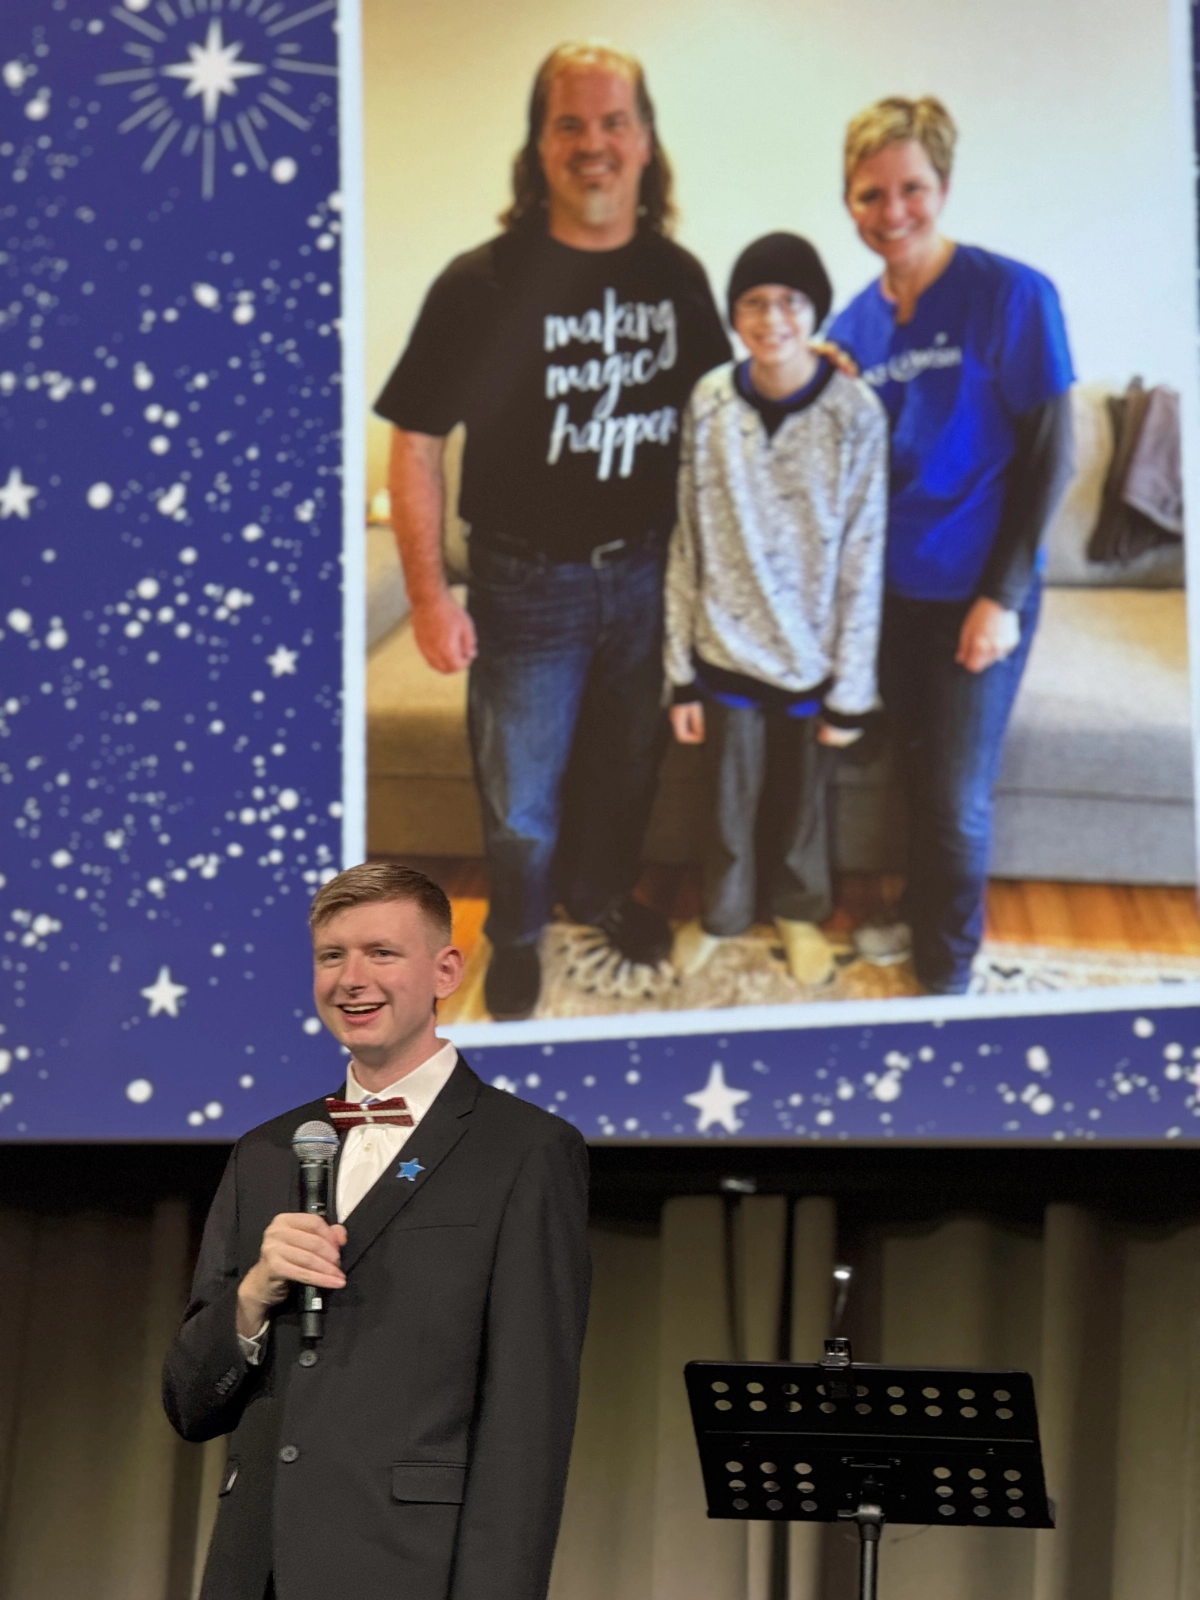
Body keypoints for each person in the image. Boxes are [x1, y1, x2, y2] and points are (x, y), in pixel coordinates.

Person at [374, 42, 730, 1020]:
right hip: (525, 586)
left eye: (614, 122)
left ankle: (604, 894)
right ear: (537, 147)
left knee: (625, 771)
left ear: (647, 143)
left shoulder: (679, 277)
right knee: (523, 803)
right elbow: (414, 442)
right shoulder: (479, 283)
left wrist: (817, 371)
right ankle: (518, 930)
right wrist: (427, 594)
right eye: (569, 123)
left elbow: (729, 419)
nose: (593, 144)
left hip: (650, 577)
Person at [162, 862, 591, 1600]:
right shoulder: (266, 1151)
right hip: (254, 1568)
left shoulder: (524, 1150)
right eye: (332, 956)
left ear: (446, 970)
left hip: (409, 1568)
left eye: (382, 953)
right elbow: (190, 1403)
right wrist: (253, 1298)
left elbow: (529, 1421)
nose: (351, 979)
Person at [827, 97, 1075, 994]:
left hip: (979, 593)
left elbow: (1054, 454)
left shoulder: (1011, 294)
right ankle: (917, 916)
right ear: (848, 200)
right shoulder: (853, 326)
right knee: (915, 778)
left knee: (956, 800)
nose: (892, 211)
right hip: (892, 598)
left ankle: (949, 972)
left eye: (911, 189)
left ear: (944, 186)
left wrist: (1002, 597)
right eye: (869, 194)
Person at [664, 234, 887, 987]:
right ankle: (723, 913)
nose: (772, 318)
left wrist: (852, 692)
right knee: (728, 801)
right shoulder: (709, 401)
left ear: (813, 311)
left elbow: (865, 554)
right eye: (754, 302)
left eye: (789, 301)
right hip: (723, 645)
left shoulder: (855, 413)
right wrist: (679, 675)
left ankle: (800, 914)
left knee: (802, 807)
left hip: (813, 655)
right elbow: (685, 538)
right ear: (736, 314)